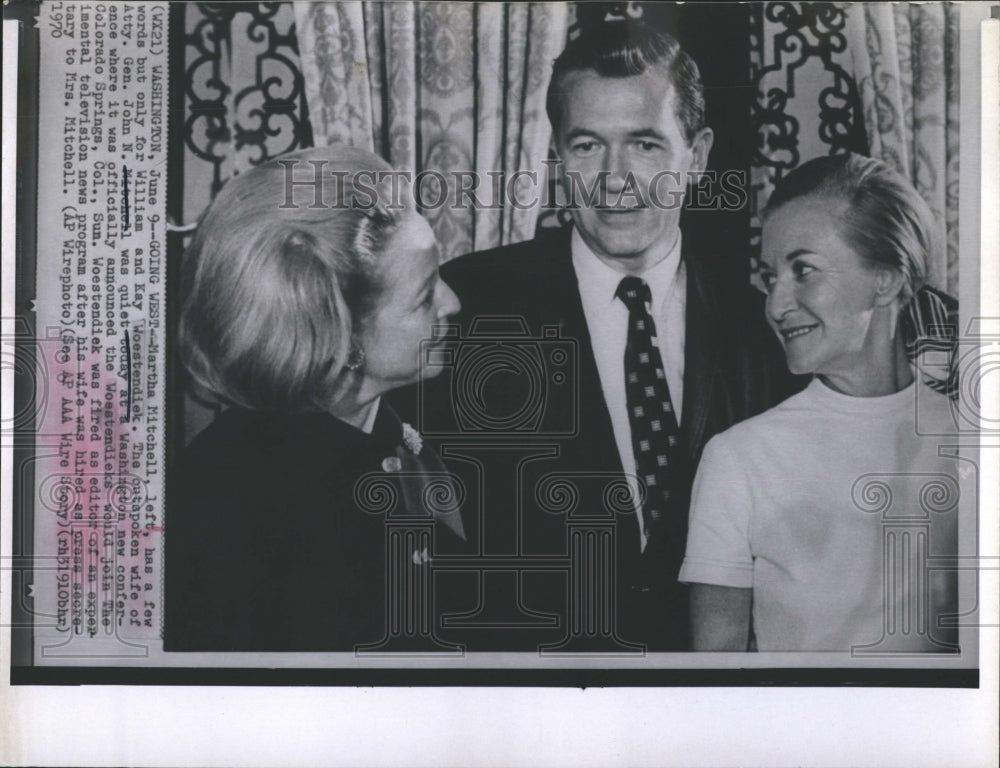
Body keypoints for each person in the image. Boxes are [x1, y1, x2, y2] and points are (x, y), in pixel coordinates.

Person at [400, 21, 802, 652]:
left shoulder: (764, 331)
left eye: (645, 144)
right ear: (558, 155)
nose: (615, 177)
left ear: (696, 157)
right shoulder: (464, 307)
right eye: (587, 146)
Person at [164, 145, 465, 652]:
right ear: (338, 338)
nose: (454, 302)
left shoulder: (396, 425)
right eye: (424, 294)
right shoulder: (232, 502)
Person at [679, 153, 960, 652]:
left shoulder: (972, 443)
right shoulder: (738, 458)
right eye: (770, 278)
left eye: (803, 270)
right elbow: (714, 676)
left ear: (886, 278)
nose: (775, 304)